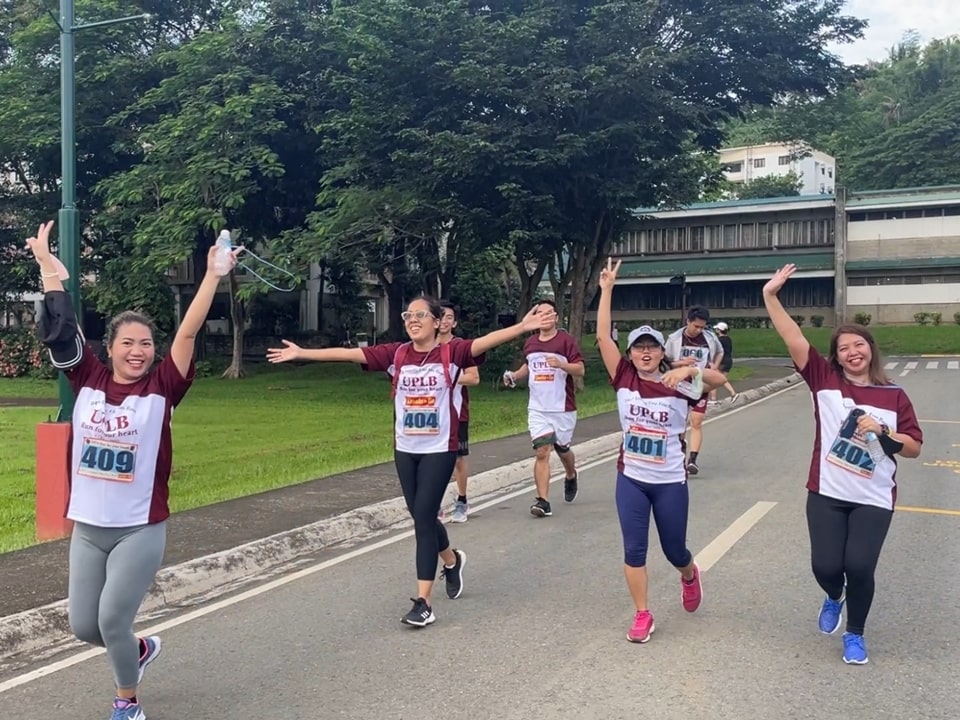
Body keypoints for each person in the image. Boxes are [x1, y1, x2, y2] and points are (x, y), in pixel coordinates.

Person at [28, 220, 237, 720]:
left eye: (145, 343)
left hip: (139, 528)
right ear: (111, 347)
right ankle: (141, 651)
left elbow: (187, 331)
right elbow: (61, 325)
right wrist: (46, 268)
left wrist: (212, 275)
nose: (138, 351)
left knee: (113, 621)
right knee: (84, 626)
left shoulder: (163, 388)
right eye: (128, 343)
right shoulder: (89, 377)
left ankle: (127, 701)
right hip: (89, 528)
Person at [267, 297, 553, 627]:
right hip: (405, 448)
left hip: (439, 448)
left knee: (423, 518)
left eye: (420, 315)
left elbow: (484, 342)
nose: (413, 320)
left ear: (436, 321)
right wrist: (303, 354)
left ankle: (424, 603)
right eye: (408, 315)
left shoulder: (453, 352)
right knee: (419, 514)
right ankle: (451, 560)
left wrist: (521, 327)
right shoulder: (397, 354)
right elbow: (348, 355)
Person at [762, 263, 923, 665]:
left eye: (859, 345)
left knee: (861, 566)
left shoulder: (895, 395)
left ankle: (855, 634)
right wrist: (770, 296)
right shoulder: (824, 381)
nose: (852, 352)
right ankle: (834, 595)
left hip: (873, 496)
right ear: (836, 357)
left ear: (871, 349)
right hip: (827, 493)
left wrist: (884, 434)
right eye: (844, 348)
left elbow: (914, 446)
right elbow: (793, 337)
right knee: (827, 565)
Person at [595, 258, 727, 643]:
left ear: (660, 352)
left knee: (674, 549)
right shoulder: (623, 377)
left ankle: (689, 575)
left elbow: (720, 379)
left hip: (670, 479)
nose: (646, 353)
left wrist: (691, 372)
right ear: (632, 354)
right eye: (639, 348)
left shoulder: (678, 382)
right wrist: (606, 290)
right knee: (634, 549)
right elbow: (604, 338)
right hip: (632, 478)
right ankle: (642, 614)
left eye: (652, 347)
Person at [502, 299, 584, 518]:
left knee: (563, 449)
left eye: (550, 313)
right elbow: (528, 366)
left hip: (562, 408)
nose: (545, 317)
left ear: (556, 317)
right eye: (541, 313)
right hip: (538, 408)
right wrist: (514, 376)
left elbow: (580, 369)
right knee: (542, 451)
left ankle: (570, 473)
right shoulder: (530, 343)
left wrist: (562, 365)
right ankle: (543, 501)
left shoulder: (566, 341)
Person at [664, 305, 724, 475]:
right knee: (680, 424)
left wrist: (713, 367)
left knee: (696, 421)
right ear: (688, 321)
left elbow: (720, 352)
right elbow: (665, 362)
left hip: (699, 383)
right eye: (696, 326)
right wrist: (680, 364)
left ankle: (693, 460)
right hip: (680, 385)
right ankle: (679, 458)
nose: (698, 330)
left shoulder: (710, 338)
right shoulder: (675, 339)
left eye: (702, 327)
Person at [438, 301, 480, 523]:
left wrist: (448, 378)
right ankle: (434, 503)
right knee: (432, 459)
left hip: (456, 412)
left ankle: (462, 501)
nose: (444, 321)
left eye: (449, 317)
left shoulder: (462, 347)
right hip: (430, 413)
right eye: (440, 316)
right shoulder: (426, 345)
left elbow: (474, 377)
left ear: (454, 322)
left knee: (457, 459)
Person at [708, 322, 737, 402]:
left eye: (717, 329)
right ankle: (713, 399)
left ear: (719, 330)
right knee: (719, 380)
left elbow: (715, 351)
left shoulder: (719, 340)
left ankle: (732, 393)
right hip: (728, 361)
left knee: (716, 380)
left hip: (721, 361)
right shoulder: (728, 339)